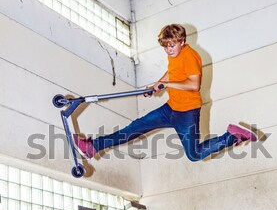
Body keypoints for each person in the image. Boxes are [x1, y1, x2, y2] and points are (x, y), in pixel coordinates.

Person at [73, 24, 257, 161]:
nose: (169, 50)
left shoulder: (190, 56)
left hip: (187, 113)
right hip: (170, 109)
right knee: (134, 128)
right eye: (166, 46)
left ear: (182, 42)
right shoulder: (173, 54)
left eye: (172, 46)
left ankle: (232, 136)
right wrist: (157, 85)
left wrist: (167, 84)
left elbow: (194, 85)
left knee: (194, 155)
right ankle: (92, 147)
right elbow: (172, 73)